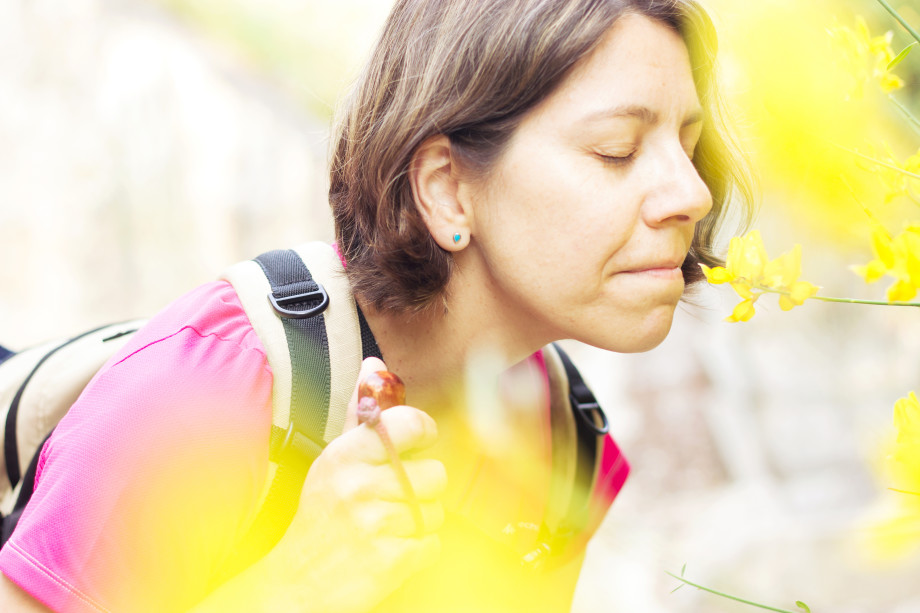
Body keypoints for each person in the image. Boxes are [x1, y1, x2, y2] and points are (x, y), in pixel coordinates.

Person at [0, 0, 752, 611]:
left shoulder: (565, 446)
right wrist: (295, 587)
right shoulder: (207, 385)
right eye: (617, 149)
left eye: (688, 145)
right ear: (447, 187)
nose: (691, 193)